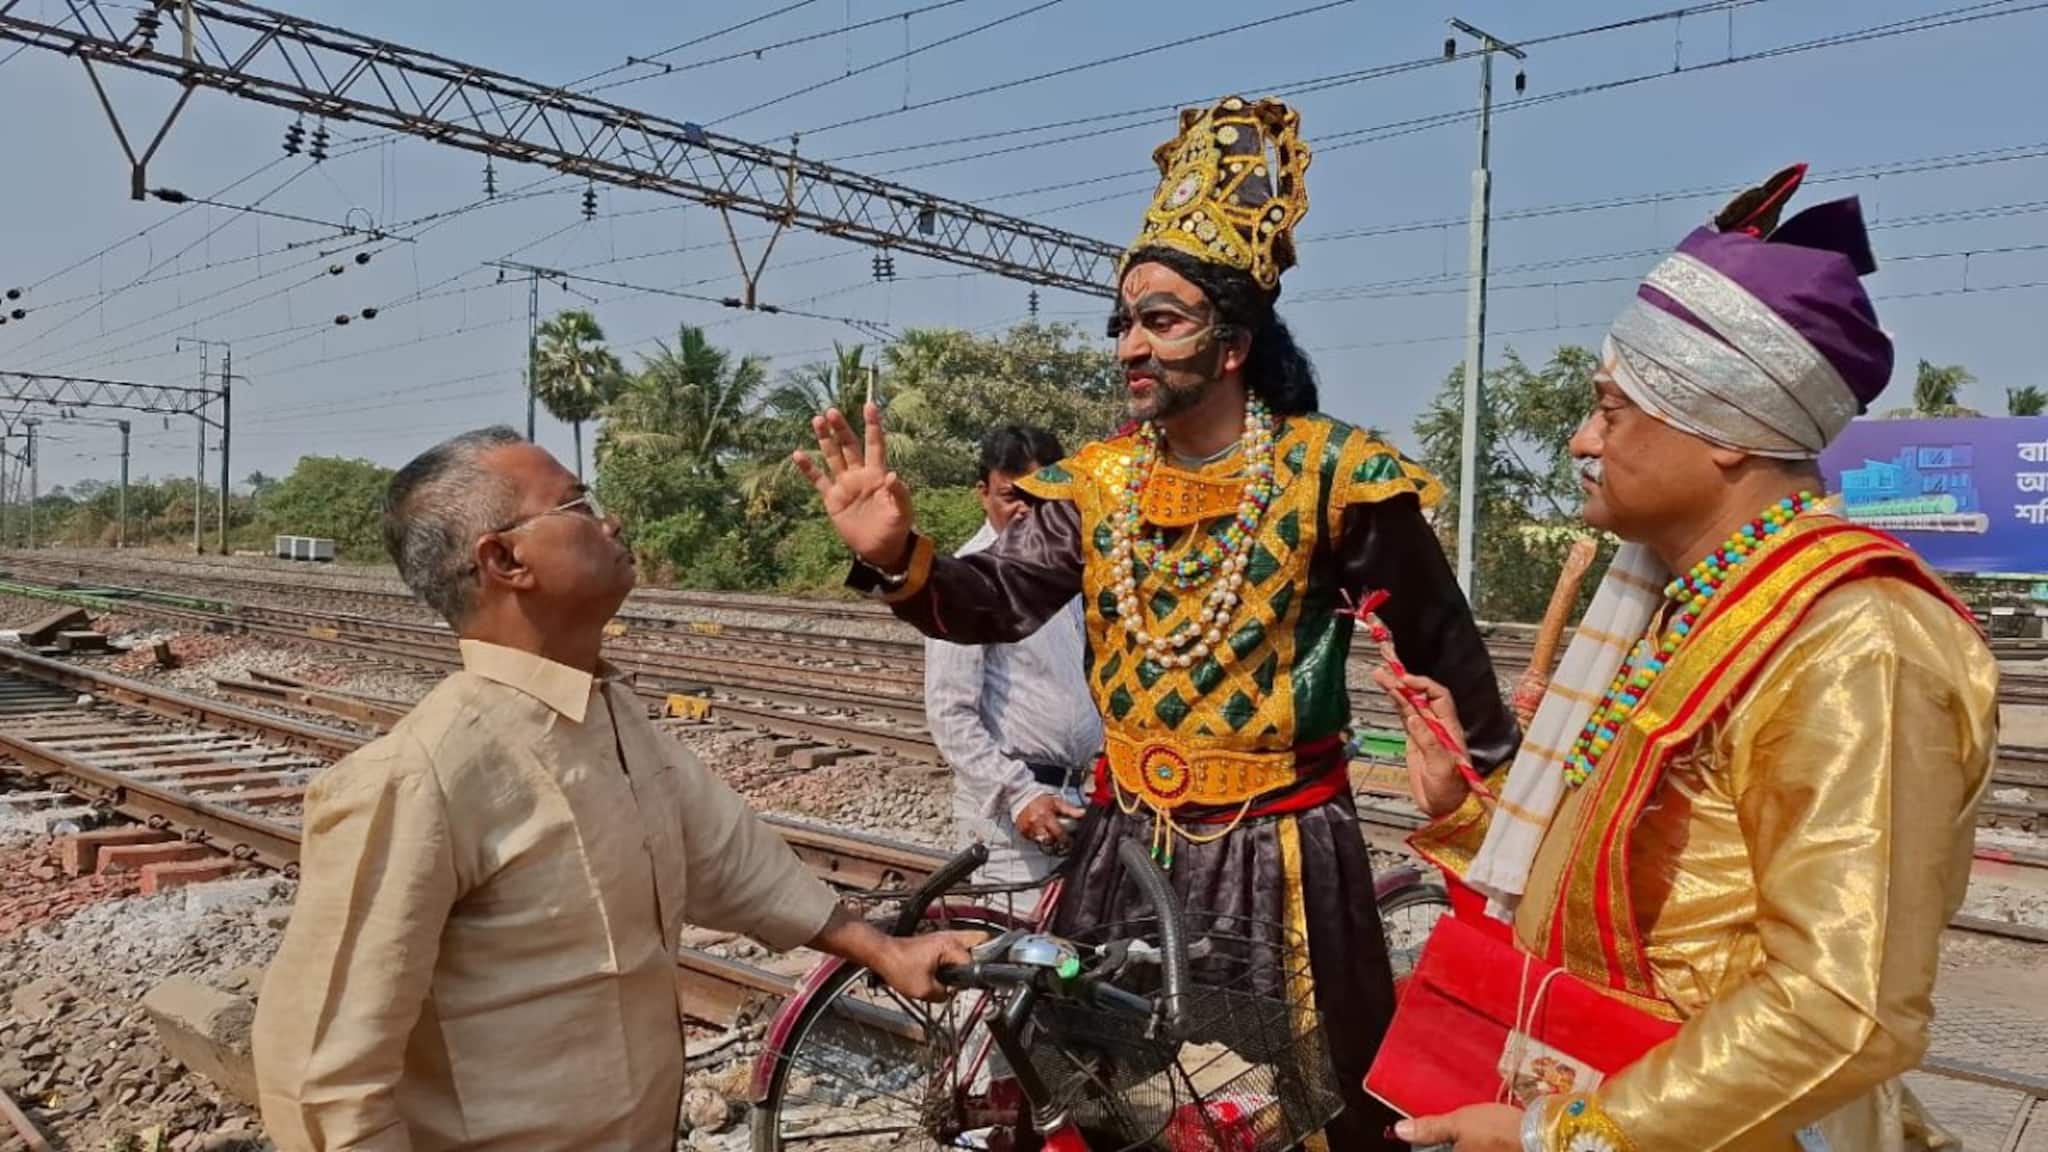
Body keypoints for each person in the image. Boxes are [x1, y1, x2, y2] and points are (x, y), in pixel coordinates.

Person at [794, 97, 1518, 1152]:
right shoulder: (1092, 485)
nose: (1129, 345)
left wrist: (1502, 840)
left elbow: (1445, 659)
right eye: (1123, 323)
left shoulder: (1332, 475)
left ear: (1231, 343)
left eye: (1159, 321)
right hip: (1126, 844)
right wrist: (895, 557)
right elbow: (987, 605)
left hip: (1284, 855)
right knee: (1108, 1095)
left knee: (1311, 1108)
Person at [1387, 166, 1999, 1152]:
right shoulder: (1689, 604)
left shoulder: (1855, 640)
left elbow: (1841, 1013)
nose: (1583, 440)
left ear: (1727, 434)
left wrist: (1562, 1137)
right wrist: (1465, 807)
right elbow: (1652, 882)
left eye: (1610, 410)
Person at [252, 428, 971, 1152]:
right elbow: (322, 1080)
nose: (611, 520)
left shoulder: (611, 717)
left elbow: (728, 857)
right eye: (578, 504)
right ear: (504, 560)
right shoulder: (421, 775)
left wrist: (883, 950)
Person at [925, 424, 1102, 883]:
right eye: (1011, 496)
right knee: (1015, 945)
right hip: (1014, 813)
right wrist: (1018, 794)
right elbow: (950, 714)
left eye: (1042, 495)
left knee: (1076, 948)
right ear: (982, 493)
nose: (1027, 509)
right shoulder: (968, 579)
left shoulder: (1065, 574)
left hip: (1075, 799)